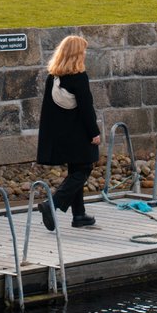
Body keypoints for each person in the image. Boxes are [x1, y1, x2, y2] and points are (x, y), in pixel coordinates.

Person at [36, 35, 101, 229]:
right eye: (83, 51)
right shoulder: (79, 77)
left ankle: (79, 215)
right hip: (78, 135)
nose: (85, 54)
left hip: (61, 135)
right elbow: (86, 109)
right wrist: (94, 133)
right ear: (77, 54)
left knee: (75, 169)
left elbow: (48, 111)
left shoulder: (53, 78)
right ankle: (52, 204)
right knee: (84, 169)